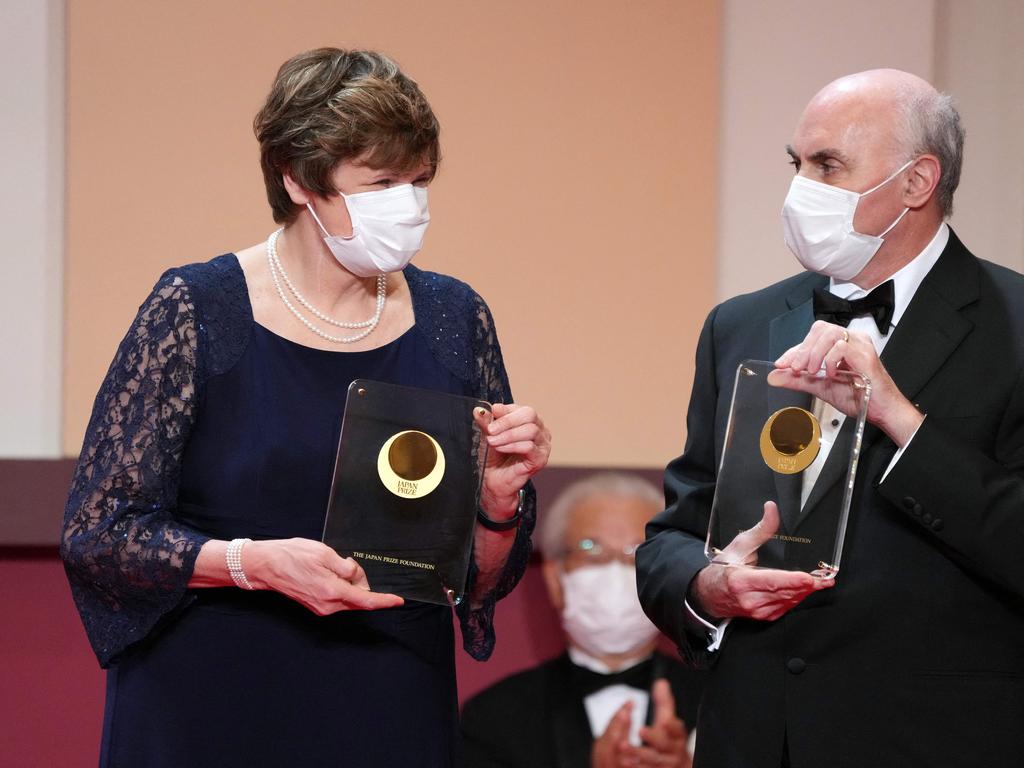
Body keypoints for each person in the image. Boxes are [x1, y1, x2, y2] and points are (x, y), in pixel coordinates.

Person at [61, 48, 551, 768]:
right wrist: (252, 563)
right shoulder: (197, 309)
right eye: (382, 182)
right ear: (297, 179)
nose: (409, 205)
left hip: (389, 702)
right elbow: (100, 533)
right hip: (210, 704)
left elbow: (474, 581)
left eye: (419, 181)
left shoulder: (454, 316)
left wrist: (499, 504)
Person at [636, 69, 1024, 768]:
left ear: (917, 182)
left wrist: (902, 420)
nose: (800, 189)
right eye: (798, 164)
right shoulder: (742, 324)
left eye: (827, 165)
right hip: (754, 738)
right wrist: (709, 588)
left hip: (935, 741)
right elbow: (675, 533)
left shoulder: (1016, 325)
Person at [462, 473, 704, 768]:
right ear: (554, 578)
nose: (616, 570)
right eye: (592, 549)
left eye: (637, 552)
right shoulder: (495, 716)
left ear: (665, 582)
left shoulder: (717, 705)